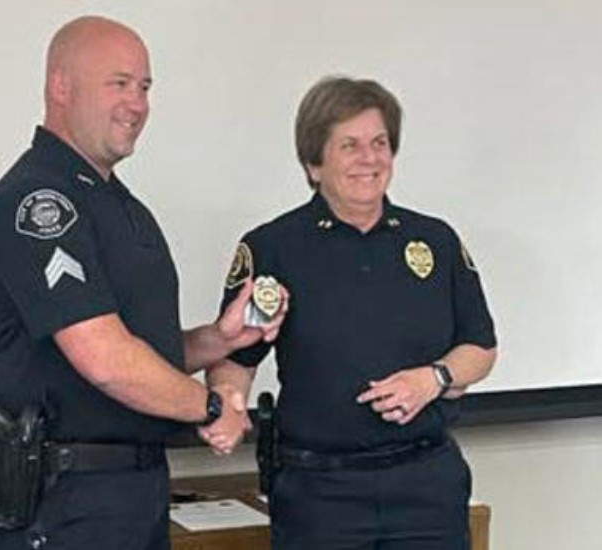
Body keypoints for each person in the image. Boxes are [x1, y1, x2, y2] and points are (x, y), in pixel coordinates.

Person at [0, 15, 285, 550]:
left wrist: (221, 340)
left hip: (132, 491)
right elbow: (105, 358)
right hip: (68, 500)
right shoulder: (40, 202)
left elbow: (144, 349)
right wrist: (212, 408)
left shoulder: (121, 205)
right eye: (118, 83)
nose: (137, 104)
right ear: (60, 86)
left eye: (144, 87)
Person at [207, 76, 497, 549]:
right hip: (321, 495)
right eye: (350, 145)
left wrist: (434, 378)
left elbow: (480, 348)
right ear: (313, 163)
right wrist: (227, 407)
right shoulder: (274, 249)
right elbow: (235, 360)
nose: (370, 159)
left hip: (425, 486)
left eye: (380, 143)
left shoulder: (434, 241)